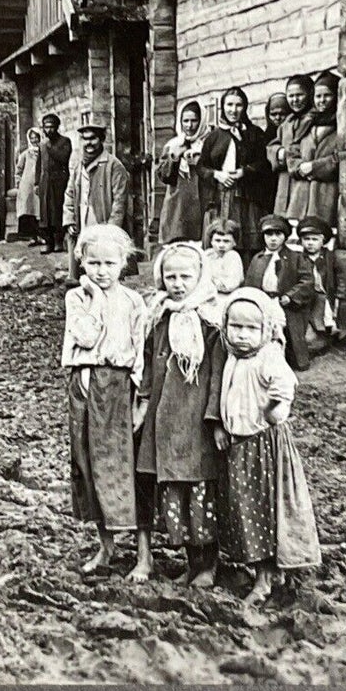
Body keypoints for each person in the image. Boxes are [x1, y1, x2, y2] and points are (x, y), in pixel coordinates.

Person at [213, 288, 321, 605]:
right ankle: (257, 567)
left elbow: (285, 385)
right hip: (239, 444)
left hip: (264, 444)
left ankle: (266, 577)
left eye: (251, 328)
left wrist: (277, 408)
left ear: (266, 330)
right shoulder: (232, 357)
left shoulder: (267, 356)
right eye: (236, 327)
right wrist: (221, 424)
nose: (242, 335)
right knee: (244, 507)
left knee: (264, 507)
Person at [137, 242, 224, 587]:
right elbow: (146, 362)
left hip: (196, 419)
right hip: (165, 417)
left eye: (185, 276)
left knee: (201, 490)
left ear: (200, 276)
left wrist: (214, 418)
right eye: (170, 276)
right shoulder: (159, 316)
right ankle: (191, 560)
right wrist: (143, 400)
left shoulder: (210, 321)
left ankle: (208, 564)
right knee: (175, 491)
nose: (178, 283)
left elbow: (217, 373)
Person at [63, 222, 146, 575]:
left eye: (110, 264)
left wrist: (139, 400)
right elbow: (85, 335)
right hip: (84, 381)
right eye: (94, 263)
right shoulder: (77, 298)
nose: (101, 271)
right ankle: (106, 547)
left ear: (123, 263)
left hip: (118, 384)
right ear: (81, 262)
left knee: (126, 465)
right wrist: (95, 298)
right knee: (88, 464)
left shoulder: (133, 301)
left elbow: (140, 350)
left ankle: (145, 555)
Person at [196, 87, 270, 260]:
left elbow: (264, 164)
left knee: (246, 242)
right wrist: (217, 174)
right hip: (219, 197)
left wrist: (244, 172)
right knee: (220, 240)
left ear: (244, 107)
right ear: (223, 107)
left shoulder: (254, 134)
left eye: (238, 105)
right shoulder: (213, 137)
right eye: (229, 105)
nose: (233, 110)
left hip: (246, 198)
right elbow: (201, 166)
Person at [244, 213, 319, 371]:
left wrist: (289, 296)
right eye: (269, 234)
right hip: (263, 303)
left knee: (288, 335)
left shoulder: (296, 257)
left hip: (285, 304)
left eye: (277, 234)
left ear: (284, 237)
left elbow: (307, 281)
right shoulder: (257, 259)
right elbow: (250, 285)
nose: (273, 239)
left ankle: (289, 362)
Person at [63, 119, 129, 280]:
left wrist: (111, 231)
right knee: (84, 261)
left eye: (93, 138)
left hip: (102, 221)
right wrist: (70, 219)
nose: (89, 143)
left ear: (101, 140)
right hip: (82, 220)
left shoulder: (114, 165)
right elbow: (70, 193)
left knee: (104, 264)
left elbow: (120, 202)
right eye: (85, 139)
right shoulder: (79, 166)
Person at [295, 214, 346, 356]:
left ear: (323, 241)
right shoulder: (299, 259)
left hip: (330, 295)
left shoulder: (331, 257)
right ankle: (322, 338)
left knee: (344, 312)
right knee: (313, 325)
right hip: (311, 298)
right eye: (306, 239)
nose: (310, 243)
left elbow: (341, 277)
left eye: (314, 239)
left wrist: (340, 295)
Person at [286, 70, 340, 224]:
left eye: (327, 95)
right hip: (300, 197)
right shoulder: (307, 122)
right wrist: (299, 167)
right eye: (318, 96)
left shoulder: (342, 125)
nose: (322, 100)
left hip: (327, 196)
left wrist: (314, 167)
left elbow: (345, 157)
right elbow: (293, 150)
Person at [155, 99, 208, 245]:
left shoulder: (208, 144)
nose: (189, 126)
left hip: (200, 202)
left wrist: (200, 160)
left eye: (194, 121)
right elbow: (164, 176)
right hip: (177, 205)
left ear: (201, 121)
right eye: (185, 121)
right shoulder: (173, 145)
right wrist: (174, 157)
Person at [268, 73, 315, 220]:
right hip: (285, 183)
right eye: (291, 96)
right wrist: (278, 152)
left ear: (309, 95)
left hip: (305, 183)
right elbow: (272, 146)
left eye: (299, 95)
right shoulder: (287, 123)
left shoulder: (316, 120)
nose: (295, 100)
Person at [36, 113, 72, 255]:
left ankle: (58, 241)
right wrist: (36, 183)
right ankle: (48, 241)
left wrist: (51, 148)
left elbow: (64, 158)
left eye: (52, 127)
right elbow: (38, 165)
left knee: (57, 210)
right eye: (46, 127)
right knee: (45, 213)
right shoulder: (42, 144)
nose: (49, 130)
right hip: (45, 182)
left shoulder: (65, 141)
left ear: (57, 127)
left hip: (60, 180)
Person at [204, 217, 245, 303]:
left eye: (226, 241)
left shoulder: (232, 257)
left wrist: (211, 280)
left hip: (227, 298)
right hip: (207, 297)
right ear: (211, 241)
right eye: (217, 240)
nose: (221, 245)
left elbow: (228, 286)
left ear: (234, 242)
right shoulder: (208, 255)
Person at [14, 127, 43, 241]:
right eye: (32, 138)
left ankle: (42, 235)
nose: (34, 140)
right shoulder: (25, 154)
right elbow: (19, 170)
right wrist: (18, 182)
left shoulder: (44, 152)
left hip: (39, 185)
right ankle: (32, 236)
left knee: (39, 210)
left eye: (36, 137)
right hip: (27, 186)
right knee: (29, 209)